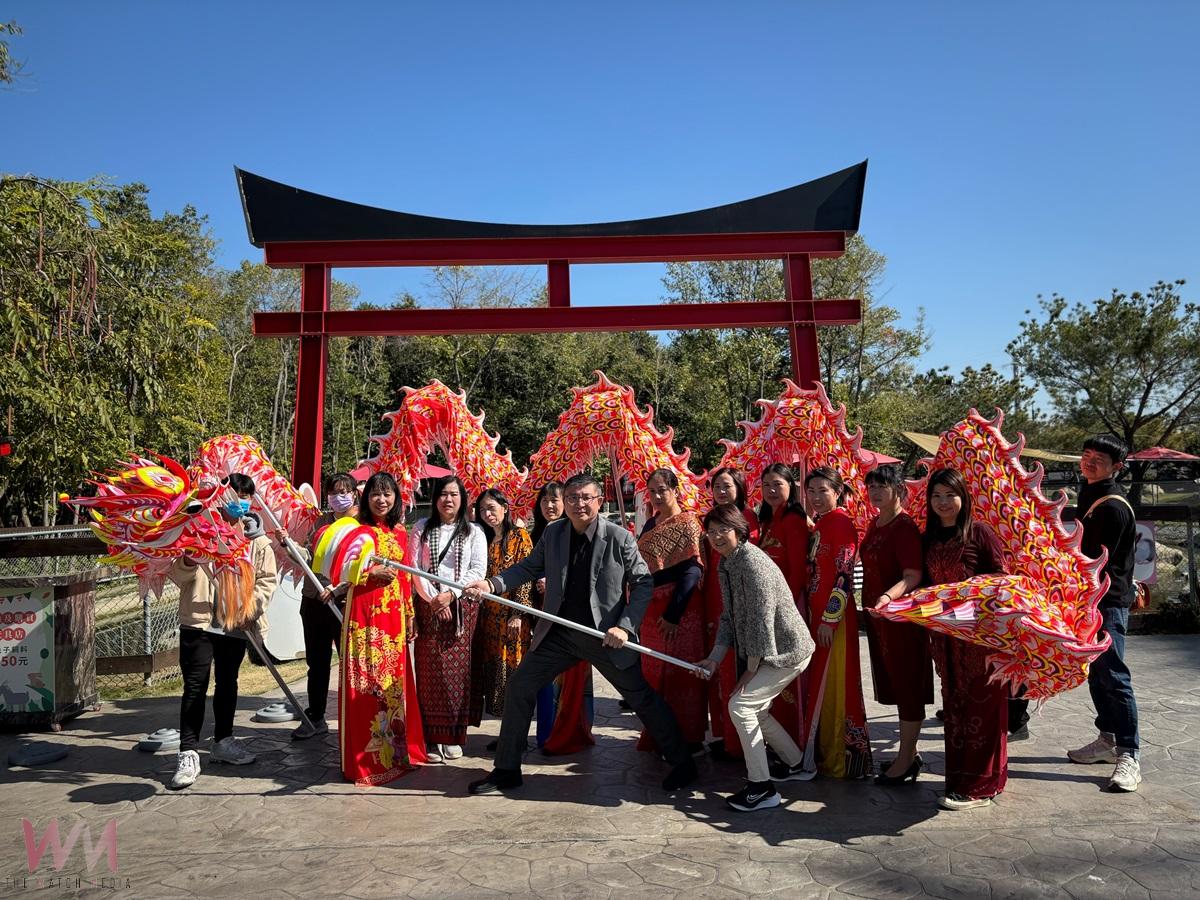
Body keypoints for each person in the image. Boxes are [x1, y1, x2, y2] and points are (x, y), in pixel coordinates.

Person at [462, 472, 696, 795]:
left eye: (586, 498)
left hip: (606, 637)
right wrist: (491, 584)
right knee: (520, 686)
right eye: (572, 498)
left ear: (599, 501)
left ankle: (683, 762)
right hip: (558, 634)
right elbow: (530, 567)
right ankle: (506, 770)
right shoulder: (554, 534)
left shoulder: (619, 537)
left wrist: (625, 627)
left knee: (640, 697)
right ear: (565, 502)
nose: (579, 504)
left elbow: (642, 583)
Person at [694, 506, 815, 811]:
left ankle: (761, 787)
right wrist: (713, 658)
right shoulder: (728, 563)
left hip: (787, 650)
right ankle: (797, 764)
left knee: (741, 705)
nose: (717, 536)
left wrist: (750, 671)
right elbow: (730, 618)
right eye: (711, 531)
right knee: (754, 709)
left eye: (724, 529)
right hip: (772, 652)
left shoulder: (752, 563)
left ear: (739, 530)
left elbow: (761, 620)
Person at [168, 473, 277, 790]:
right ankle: (188, 751)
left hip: (234, 624)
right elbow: (178, 575)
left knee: (228, 682)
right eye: (233, 494)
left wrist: (248, 610)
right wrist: (189, 559)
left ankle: (223, 741)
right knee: (195, 686)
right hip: (199, 621)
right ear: (220, 497)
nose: (239, 500)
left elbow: (266, 583)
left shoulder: (258, 541)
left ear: (252, 501)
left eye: (245, 495)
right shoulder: (198, 531)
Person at [923, 467, 1009, 810]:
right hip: (945, 637)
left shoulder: (981, 533)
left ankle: (981, 785)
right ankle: (960, 778)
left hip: (980, 637)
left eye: (950, 495)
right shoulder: (927, 538)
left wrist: (968, 596)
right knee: (955, 708)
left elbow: (1002, 579)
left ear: (964, 498)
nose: (943, 502)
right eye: (937, 496)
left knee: (982, 706)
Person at [340, 472, 427, 785]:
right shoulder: (357, 531)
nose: (381, 499)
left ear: (396, 498)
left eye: (387, 494)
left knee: (393, 685)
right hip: (365, 616)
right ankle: (365, 761)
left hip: (394, 621)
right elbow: (343, 570)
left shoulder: (400, 532)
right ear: (366, 499)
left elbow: (405, 578)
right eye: (376, 494)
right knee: (366, 682)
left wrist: (410, 614)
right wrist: (369, 571)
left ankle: (397, 753)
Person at [1067, 434, 1141, 792]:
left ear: (1117, 467)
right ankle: (1107, 740)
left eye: (1099, 458)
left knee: (1113, 675)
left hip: (1107, 603)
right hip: (1090, 601)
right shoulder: (1090, 494)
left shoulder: (1111, 506)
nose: (1090, 461)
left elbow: (1092, 561)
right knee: (1097, 674)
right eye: (1086, 455)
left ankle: (1129, 754)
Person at [409, 474, 488, 762]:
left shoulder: (474, 532)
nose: (448, 499)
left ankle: (454, 735)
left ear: (462, 499)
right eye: (443, 494)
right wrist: (432, 599)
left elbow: (477, 570)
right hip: (428, 606)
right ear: (435, 498)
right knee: (430, 673)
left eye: (454, 494)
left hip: (462, 608)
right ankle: (431, 737)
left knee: (457, 675)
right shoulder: (420, 528)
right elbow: (413, 567)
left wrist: (449, 596)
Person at [799, 467, 872, 779]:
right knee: (825, 686)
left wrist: (830, 619)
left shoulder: (840, 522)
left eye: (823, 490)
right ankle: (828, 753)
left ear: (838, 491)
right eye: (811, 491)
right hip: (820, 619)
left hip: (835, 621)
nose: (816, 497)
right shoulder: (822, 523)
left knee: (837, 685)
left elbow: (843, 575)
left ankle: (842, 760)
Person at [860, 465, 929, 784]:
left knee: (908, 687)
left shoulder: (904, 527)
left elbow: (912, 574)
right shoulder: (876, 522)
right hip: (879, 619)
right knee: (895, 684)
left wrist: (889, 597)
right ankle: (908, 754)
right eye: (871, 485)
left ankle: (906, 759)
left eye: (882, 486)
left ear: (900, 490)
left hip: (900, 619)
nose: (875, 491)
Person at [636, 468, 708, 755]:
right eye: (651, 490)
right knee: (654, 675)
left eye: (662, 489)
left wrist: (673, 614)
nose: (656, 495)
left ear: (676, 490)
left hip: (681, 610)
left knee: (681, 675)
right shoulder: (651, 524)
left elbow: (692, 570)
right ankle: (660, 735)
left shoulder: (688, 522)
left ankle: (688, 740)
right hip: (651, 612)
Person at [529, 482, 595, 753]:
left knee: (573, 678)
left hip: (572, 619)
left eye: (555, 500)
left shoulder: (579, 533)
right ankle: (547, 734)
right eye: (544, 500)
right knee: (545, 679)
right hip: (540, 619)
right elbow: (525, 572)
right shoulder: (533, 537)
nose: (550, 506)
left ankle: (572, 732)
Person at [292, 471, 358, 741]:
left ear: (354, 493)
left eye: (344, 492)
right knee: (316, 663)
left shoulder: (361, 525)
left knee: (350, 662)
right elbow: (308, 557)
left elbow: (359, 566)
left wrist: (338, 588)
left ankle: (355, 718)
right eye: (333, 493)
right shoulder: (320, 523)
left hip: (344, 602)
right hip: (314, 599)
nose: (338, 498)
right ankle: (316, 717)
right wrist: (290, 547)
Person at [700, 467, 760, 759]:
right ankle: (725, 735)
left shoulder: (746, 520)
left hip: (737, 598)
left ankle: (739, 744)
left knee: (737, 668)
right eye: (717, 487)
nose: (721, 492)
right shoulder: (712, 519)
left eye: (727, 486)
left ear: (739, 488)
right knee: (720, 670)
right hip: (714, 597)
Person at [754, 463, 811, 751]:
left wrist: (782, 607)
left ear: (791, 486)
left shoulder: (793, 520)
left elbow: (797, 570)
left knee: (789, 682)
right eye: (766, 485)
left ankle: (794, 743)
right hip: (771, 607)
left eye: (778, 484)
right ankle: (780, 743)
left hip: (787, 608)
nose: (772, 490)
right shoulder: (770, 520)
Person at [471, 489, 534, 732]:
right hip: (489, 620)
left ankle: (517, 734)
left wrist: (519, 613)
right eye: (483, 509)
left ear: (505, 508)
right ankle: (506, 733)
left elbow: (526, 576)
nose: (487, 514)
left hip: (512, 617)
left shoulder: (519, 536)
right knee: (496, 677)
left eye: (492, 508)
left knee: (515, 674)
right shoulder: (482, 539)